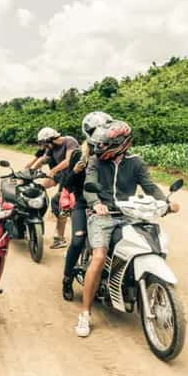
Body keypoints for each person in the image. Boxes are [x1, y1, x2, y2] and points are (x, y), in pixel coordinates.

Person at [76, 120, 181, 337]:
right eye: (99, 145)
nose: (99, 148)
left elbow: (150, 186)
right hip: (103, 215)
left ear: (121, 143)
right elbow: (89, 187)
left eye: (104, 145)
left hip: (131, 213)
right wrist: (96, 203)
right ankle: (85, 314)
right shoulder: (95, 161)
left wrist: (165, 203)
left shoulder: (136, 162)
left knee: (152, 245)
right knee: (98, 256)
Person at [60, 111, 112, 300]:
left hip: (108, 205)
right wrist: (75, 171)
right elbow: (68, 185)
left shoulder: (113, 153)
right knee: (77, 240)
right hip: (83, 204)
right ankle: (67, 278)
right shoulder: (78, 155)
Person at [24, 127, 79, 249]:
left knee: (59, 204)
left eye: (44, 144)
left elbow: (69, 160)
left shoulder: (69, 141)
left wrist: (53, 170)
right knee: (38, 188)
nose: (44, 147)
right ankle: (34, 217)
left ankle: (60, 238)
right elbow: (43, 160)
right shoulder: (51, 148)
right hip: (62, 175)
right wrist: (29, 173)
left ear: (50, 140)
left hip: (73, 177)